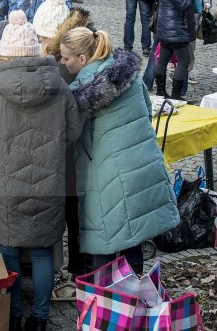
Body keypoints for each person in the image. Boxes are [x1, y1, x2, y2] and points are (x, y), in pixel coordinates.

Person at [0, 10, 81, 331]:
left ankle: (12, 315)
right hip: (49, 183)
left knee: (9, 251)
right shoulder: (58, 83)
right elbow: (73, 132)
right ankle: (40, 320)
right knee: (43, 253)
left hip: (5, 184)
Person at [61, 27, 178, 276]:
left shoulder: (81, 92)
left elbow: (73, 136)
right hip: (141, 164)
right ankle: (133, 295)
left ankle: (106, 305)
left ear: (82, 59)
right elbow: (147, 112)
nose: (63, 62)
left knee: (104, 239)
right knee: (131, 234)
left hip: (108, 175)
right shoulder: (130, 76)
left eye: (66, 57)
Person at [154, 0, 200, 99]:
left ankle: (160, 91)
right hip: (176, 29)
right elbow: (183, 5)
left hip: (164, 26)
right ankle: (176, 95)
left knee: (163, 59)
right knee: (184, 61)